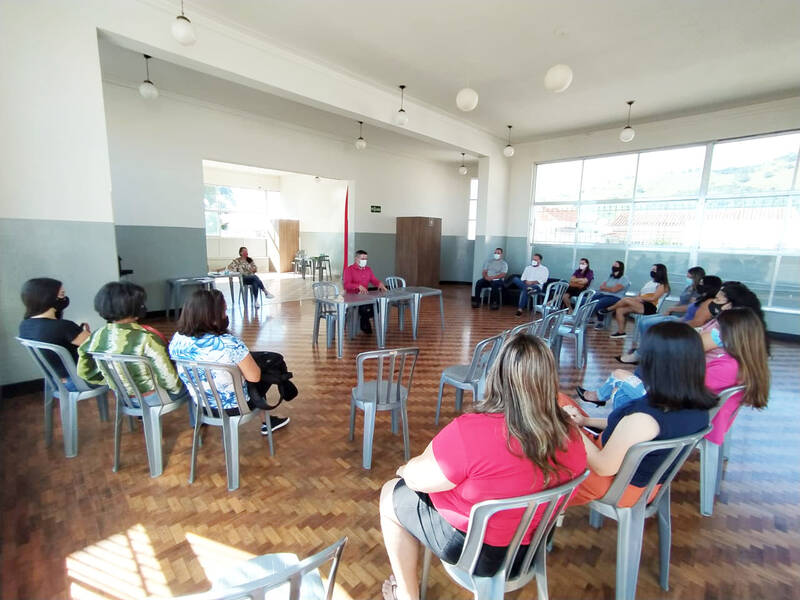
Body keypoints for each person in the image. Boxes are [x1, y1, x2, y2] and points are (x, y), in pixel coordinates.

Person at [378, 335, 586, 600]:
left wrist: (405, 470)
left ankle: (407, 595)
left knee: (390, 493)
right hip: (531, 549)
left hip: (478, 553)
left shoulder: (472, 431)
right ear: (549, 381)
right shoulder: (572, 434)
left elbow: (418, 480)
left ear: (497, 377)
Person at [561, 321, 716, 507]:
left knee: (544, 425)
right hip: (639, 481)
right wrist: (585, 421)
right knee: (558, 400)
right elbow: (626, 431)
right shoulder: (697, 406)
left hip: (615, 485)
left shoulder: (645, 419)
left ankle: (539, 510)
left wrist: (568, 425)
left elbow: (603, 467)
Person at [168, 289, 290, 434]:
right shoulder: (229, 343)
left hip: (202, 405)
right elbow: (254, 377)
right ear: (212, 316)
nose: (226, 315)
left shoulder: (177, 340)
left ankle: (267, 420)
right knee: (264, 372)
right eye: (224, 311)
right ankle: (267, 422)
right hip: (235, 407)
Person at [77, 282, 189, 404]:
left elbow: (85, 372)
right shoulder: (147, 338)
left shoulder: (96, 336)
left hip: (122, 397)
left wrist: (111, 381)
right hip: (154, 398)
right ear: (137, 307)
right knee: (194, 386)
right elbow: (170, 381)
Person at [617, 275, 721, 364]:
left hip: (683, 323)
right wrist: (672, 309)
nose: (699, 284)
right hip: (681, 319)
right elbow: (689, 307)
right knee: (644, 321)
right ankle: (646, 349)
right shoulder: (702, 298)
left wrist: (677, 324)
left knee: (649, 325)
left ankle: (642, 353)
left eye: (702, 283)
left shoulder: (709, 302)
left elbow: (697, 322)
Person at [704, 307, 770, 446]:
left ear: (732, 334)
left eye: (718, 328)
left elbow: (686, 386)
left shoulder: (728, 367)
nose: (712, 331)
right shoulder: (743, 361)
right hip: (710, 415)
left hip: (702, 420)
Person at [18, 277, 91, 390]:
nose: (64, 298)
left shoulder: (24, 325)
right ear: (47, 298)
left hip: (54, 381)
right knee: (117, 373)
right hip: (77, 381)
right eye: (62, 294)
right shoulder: (64, 326)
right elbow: (96, 345)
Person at [699, 281, 769, 354]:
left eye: (717, 299)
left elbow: (695, 346)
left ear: (729, 306)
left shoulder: (722, 331)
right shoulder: (722, 322)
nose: (713, 302)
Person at [605, 263, 670, 338]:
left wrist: (641, 298)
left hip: (650, 307)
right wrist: (638, 299)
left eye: (654, 270)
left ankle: (609, 309)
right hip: (641, 304)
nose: (652, 271)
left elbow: (653, 298)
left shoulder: (662, 285)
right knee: (620, 310)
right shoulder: (650, 282)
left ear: (660, 272)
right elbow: (640, 294)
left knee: (625, 300)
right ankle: (621, 332)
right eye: (652, 269)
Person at [342, 249, 388, 334]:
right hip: (352, 297)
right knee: (364, 308)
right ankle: (364, 322)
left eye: (366, 259)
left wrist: (380, 284)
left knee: (377, 305)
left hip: (365, 296)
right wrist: (358, 286)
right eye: (362, 258)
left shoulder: (368, 269)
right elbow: (346, 285)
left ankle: (364, 320)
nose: (364, 260)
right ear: (356, 259)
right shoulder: (349, 270)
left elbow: (373, 280)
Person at [590, 261, 631, 327]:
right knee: (590, 299)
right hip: (603, 294)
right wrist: (609, 289)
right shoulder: (610, 277)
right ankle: (590, 319)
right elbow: (601, 287)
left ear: (620, 267)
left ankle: (600, 322)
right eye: (613, 265)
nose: (613, 266)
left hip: (615, 297)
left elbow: (614, 290)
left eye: (616, 265)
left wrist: (606, 288)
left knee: (600, 303)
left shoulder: (624, 279)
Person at [508, 252, 550, 316]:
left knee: (524, 290)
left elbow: (544, 280)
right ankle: (528, 289)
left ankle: (520, 309)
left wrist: (532, 282)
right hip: (526, 284)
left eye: (535, 260)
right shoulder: (528, 268)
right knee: (515, 279)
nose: (534, 261)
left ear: (539, 260)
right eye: (533, 259)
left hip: (536, 286)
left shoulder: (544, 269)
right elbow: (522, 278)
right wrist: (526, 281)